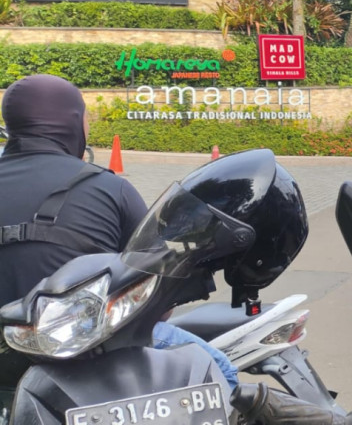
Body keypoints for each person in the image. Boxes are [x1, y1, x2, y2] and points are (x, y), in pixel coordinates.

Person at [0, 74, 237, 391]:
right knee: (223, 371)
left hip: (6, 350)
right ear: (71, 122)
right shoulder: (110, 188)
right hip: (89, 349)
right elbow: (159, 298)